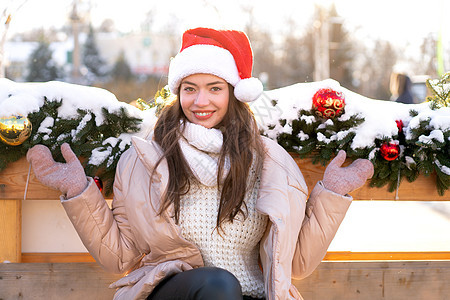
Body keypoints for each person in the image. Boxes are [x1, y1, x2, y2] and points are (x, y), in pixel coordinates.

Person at [27, 28, 374, 300]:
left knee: (225, 288)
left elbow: (296, 264)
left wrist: (330, 194)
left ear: (234, 93)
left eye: (214, 88)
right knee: (218, 284)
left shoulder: (269, 163)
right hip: (173, 292)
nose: (201, 101)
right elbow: (120, 257)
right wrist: (79, 191)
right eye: (190, 89)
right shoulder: (145, 159)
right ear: (178, 94)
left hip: (247, 294)